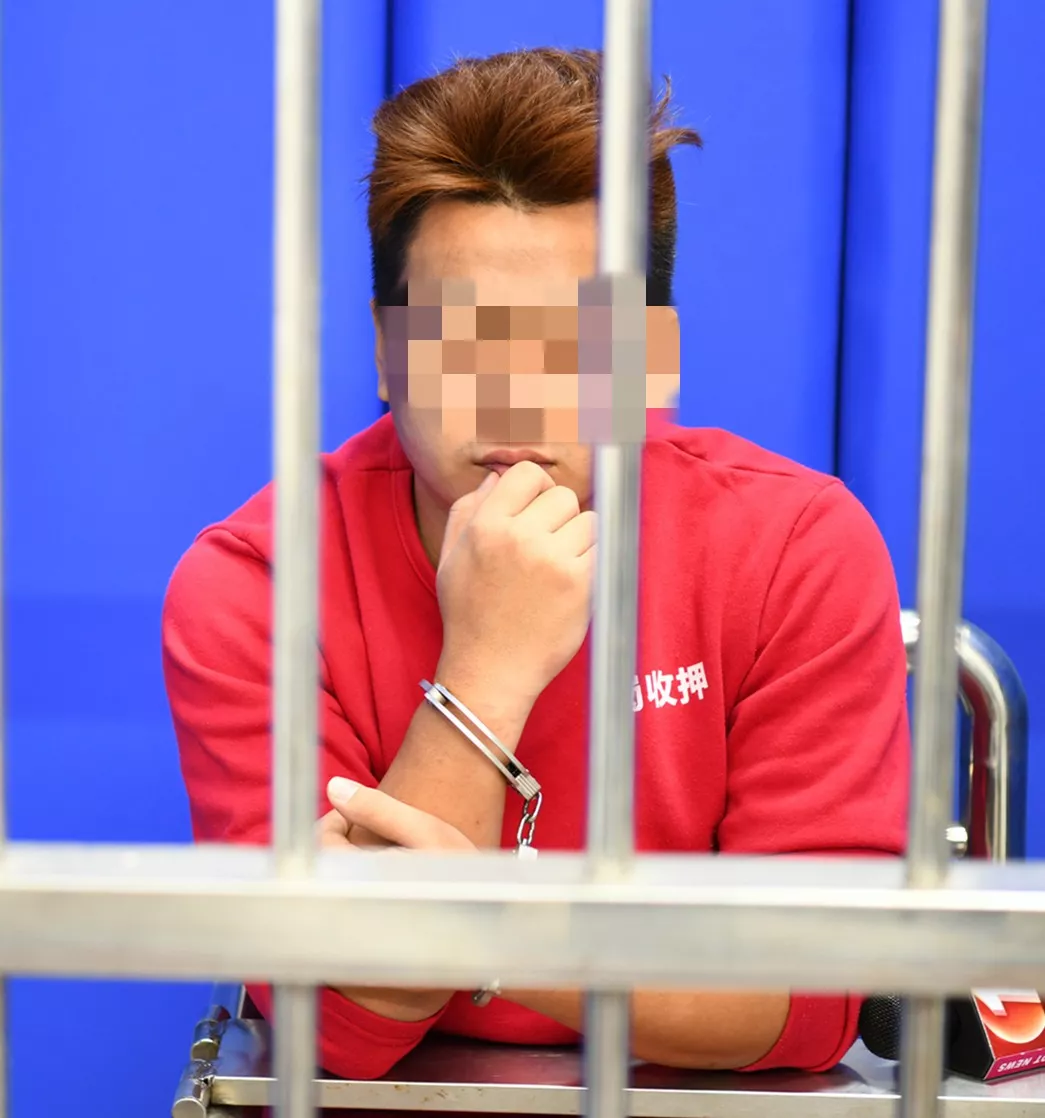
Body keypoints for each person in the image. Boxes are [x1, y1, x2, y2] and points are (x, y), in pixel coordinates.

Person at [162, 47, 910, 1081]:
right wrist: (485, 667)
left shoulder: (795, 546)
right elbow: (335, 1021)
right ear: (385, 352)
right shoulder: (253, 584)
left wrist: (484, 934)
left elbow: (813, 996)